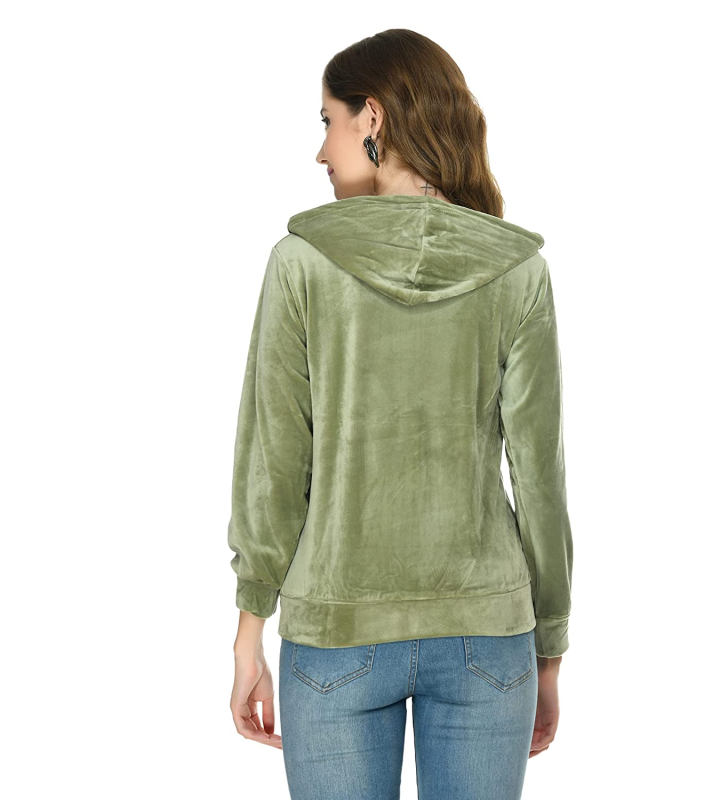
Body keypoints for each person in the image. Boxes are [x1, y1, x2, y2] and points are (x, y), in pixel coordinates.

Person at [227, 28, 574, 800]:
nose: (321, 151)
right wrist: (549, 649)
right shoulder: (516, 271)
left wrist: (249, 632)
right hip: (488, 636)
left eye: (328, 121)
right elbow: (540, 480)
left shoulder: (301, 264)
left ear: (373, 118)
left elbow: (273, 465)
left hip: (336, 632)